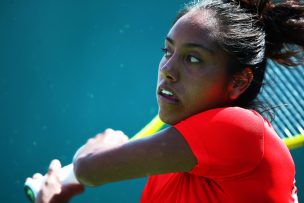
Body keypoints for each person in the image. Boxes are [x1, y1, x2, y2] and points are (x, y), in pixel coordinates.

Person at [27, 0, 303, 202]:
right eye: (167, 51)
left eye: (192, 58)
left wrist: (96, 151)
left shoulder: (242, 130)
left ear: (239, 82)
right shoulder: (168, 172)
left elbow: (89, 168)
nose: (167, 69)